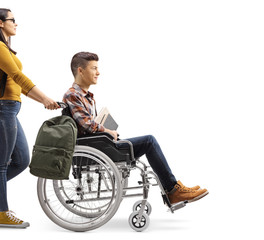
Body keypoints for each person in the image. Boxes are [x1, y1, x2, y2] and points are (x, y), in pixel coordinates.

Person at [63, 51, 209, 204]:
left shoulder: (86, 96)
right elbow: (87, 125)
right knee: (149, 141)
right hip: (95, 148)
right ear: (80, 70)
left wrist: (105, 127)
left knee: (146, 142)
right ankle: (173, 190)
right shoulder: (72, 95)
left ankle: (173, 188)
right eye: (94, 68)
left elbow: (88, 124)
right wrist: (107, 130)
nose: (98, 72)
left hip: (99, 145)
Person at [0, 8, 59, 229]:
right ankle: (3, 214)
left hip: (8, 111)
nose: (16, 24)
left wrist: (42, 99)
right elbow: (18, 77)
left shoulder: (5, 48)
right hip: (0, 111)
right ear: (0, 23)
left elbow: (17, 84)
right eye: (12, 20)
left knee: (22, 160)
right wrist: (44, 98)